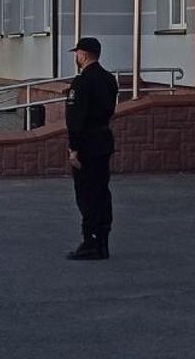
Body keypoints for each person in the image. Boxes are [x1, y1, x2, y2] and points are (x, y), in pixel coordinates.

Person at [65, 37, 119, 260]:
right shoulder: (109, 80)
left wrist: (73, 148)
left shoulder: (81, 82)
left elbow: (75, 118)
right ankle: (103, 239)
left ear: (84, 55)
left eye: (77, 53)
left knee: (86, 193)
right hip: (104, 140)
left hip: (87, 144)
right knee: (102, 191)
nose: (76, 57)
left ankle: (90, 241)